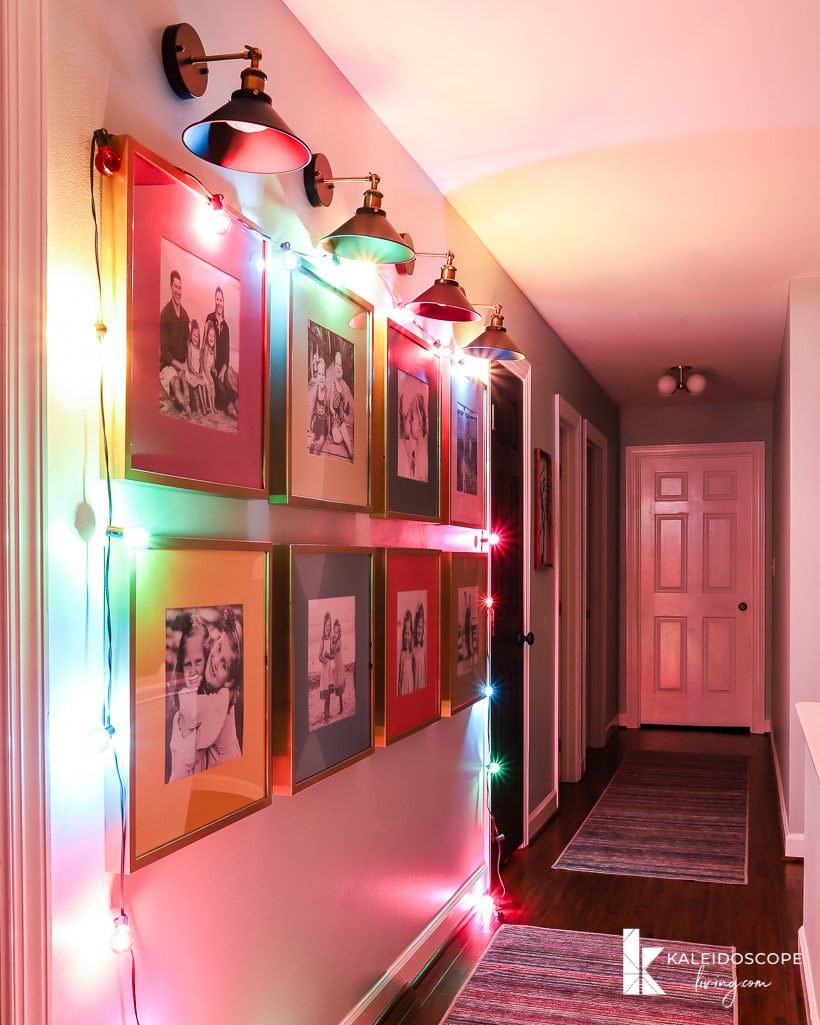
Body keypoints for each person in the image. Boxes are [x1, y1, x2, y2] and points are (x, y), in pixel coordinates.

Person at [196, 606, 243, 768]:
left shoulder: (222, 699)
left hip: (226, 765)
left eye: (224, 665)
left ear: (230, 682)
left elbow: (199, 743)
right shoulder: (217, 684)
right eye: (219, 648)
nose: (215, 661)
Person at [159, 269, 190, 415]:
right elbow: (164, 351)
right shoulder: (165, 314)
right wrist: (180, 366)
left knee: (185, 383)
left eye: (180, 287)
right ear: (171, 287)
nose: (178, 291)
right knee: (176, 383)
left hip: (182, 366)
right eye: (175, 287)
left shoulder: (185, 316)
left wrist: (187, 366)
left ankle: (185, 404)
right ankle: (184, 407)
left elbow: (188, 345)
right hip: (168, 366)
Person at [206, 286, 238, 419]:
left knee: (226, 382)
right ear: (215, 300)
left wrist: (224, 369)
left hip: (222, 366)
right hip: (211, 364)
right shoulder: (209, 318)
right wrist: (213, 367)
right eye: (217, 299)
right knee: (217, 383)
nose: (219, 302)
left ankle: (235, 403)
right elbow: (206, 343)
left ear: (224, 302)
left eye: (221, 300)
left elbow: (226, 354)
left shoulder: (226, 327)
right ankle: (230, 406)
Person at [329, 349, 354, 459]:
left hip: (341, 419)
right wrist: (333, 412)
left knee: (344, 429)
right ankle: (340, 434)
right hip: (335, 421)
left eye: (340, 365)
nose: (339, 367)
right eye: (337, 365)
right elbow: (330, 404)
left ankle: (350, 452)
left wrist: (345, 408)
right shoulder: (333, 385)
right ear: (334, 368)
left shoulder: (343, 387)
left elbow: (343, 406)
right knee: (337, 439)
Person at [307, 357, 330, 455]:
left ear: (326, 376)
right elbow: (312, 408)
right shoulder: (316, 390)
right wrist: (309, 424)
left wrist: (329, 430)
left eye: (323, 374)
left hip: (323, 423)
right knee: (312, 436)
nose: (321, 377)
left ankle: (316, 451)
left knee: (321, 440)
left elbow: (329, 412)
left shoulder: (327, 392)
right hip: (316, 420)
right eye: (319, 374)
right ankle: (311, 445)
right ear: (317, 376)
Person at [318, 612, 334, 722]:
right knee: (326, 694)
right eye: (326, 625)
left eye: (329, 625)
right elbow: (319, 655)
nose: (327, 627)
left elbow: (332, 655)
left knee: (329, 695)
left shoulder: (331, 638)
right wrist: (324, 658)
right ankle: (325, 717)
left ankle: (328, 714)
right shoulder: (323, 639)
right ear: (323, 626)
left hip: (329, 670)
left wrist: (330, 656)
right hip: (324, 669)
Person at [200, 318, 217, 416]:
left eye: (213, 336)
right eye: (210, 335)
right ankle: (210, 408)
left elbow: (211, 366)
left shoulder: (212, 350)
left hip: (208, 372)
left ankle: (214, 407)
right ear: (206, 336)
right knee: (208, 385)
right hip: (203, 372)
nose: (211, 337)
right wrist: (209, 377)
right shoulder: (206, 347)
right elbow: (205, 365)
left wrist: (213, 370)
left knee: (212, 386)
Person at [397, 609, 415, 696]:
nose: (407, 637)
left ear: (411, 635)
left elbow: (414, 675)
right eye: (405, 633)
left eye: (408, 634)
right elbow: (400, 679)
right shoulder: (402, 654)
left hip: (411, 687)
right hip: (404, 689)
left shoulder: (412, 654)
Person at [331, 618, 345, 714]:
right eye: (335, 631)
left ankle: (341, 708)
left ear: (339, 632)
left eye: (337, 631)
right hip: (337, 665)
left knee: (339, 686)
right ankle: (341, 707)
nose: (336, 633)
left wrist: (333, 642)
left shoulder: (338, 642)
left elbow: (333, 652)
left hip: (339, 666)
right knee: (338, 685)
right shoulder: (335, 641)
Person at [412, 602, 427, 692]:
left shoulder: (424, 648)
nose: (419, 631)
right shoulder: (412, 650)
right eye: (418, 627)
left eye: (421, 627)